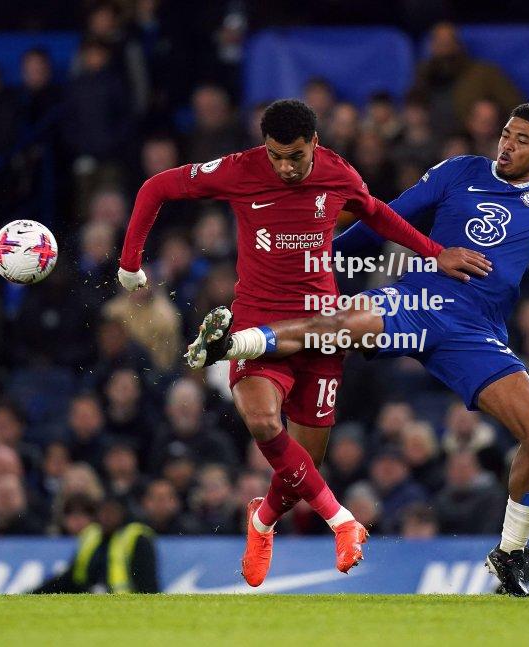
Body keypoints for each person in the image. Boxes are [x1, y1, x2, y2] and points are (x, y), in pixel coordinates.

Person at [194, 103, 529, 595]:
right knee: (337, 325)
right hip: (417, 299)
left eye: (521, 141)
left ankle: (510, 555)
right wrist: (317, 259)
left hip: (474, 333)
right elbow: (383, 221)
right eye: (505, 135)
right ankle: (233, 342)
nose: (508, 146)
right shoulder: (458, 172)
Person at [116, 99, 488, 587]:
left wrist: (435, 253)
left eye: (294, 155)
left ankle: (262, 520)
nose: (285, 167)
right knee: (264, 421)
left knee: (302, 464)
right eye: (276, 156)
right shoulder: (240, 169)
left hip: (320, 331)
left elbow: (376, 214)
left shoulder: (338, 173)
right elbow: (156, 187)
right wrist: (130, 261)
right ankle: (343, 521)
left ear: (314, 142)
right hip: (255, 327)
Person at [32, 496, 158, 593]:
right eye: (103, 512)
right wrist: (35, 593)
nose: (106, 517)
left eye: (112, 512)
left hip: (125, 605)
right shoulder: (91, 536)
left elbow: (147, 585)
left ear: (122, 513)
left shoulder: (136, 538)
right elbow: (72, 578)